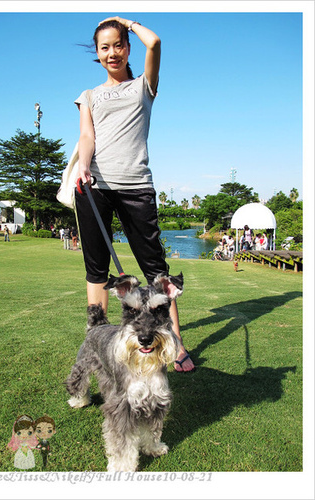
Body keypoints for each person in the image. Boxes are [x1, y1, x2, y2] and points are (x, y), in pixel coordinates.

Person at [74, 16, 194, 372]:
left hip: (137, 185)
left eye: (118, 44)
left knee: (157, 270)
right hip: (95, 185)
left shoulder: (144, 85)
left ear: (127, 47)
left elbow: (154, 42)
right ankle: (100, 344)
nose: (112, 52)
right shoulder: (89, 95)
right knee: (96, 269)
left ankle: (176, 345)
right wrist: (83, 164)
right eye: (104, 47)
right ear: (97, 53)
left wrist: (126, 21)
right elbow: (87, 137)